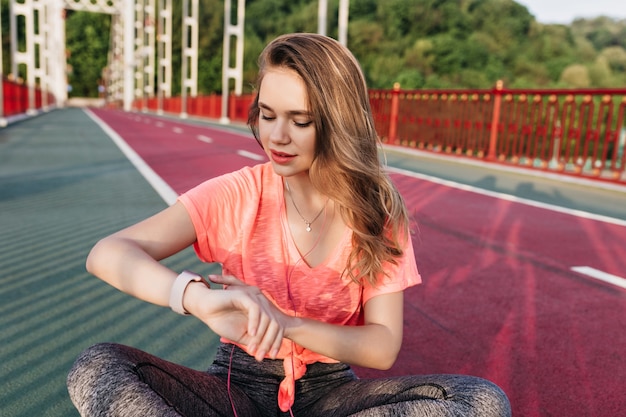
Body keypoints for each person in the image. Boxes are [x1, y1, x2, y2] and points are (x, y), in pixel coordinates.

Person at [67, 33, 511, 417]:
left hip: (332, 393)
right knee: (99, 368)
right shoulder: (238, 193)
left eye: (301, 121)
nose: (276, 137)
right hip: (234, 387)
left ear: (338, 124)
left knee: (479, 401)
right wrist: (195, 299)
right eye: (267, 114)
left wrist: (286, 324)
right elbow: (107, 254)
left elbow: (382, 345)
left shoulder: (376, 212)